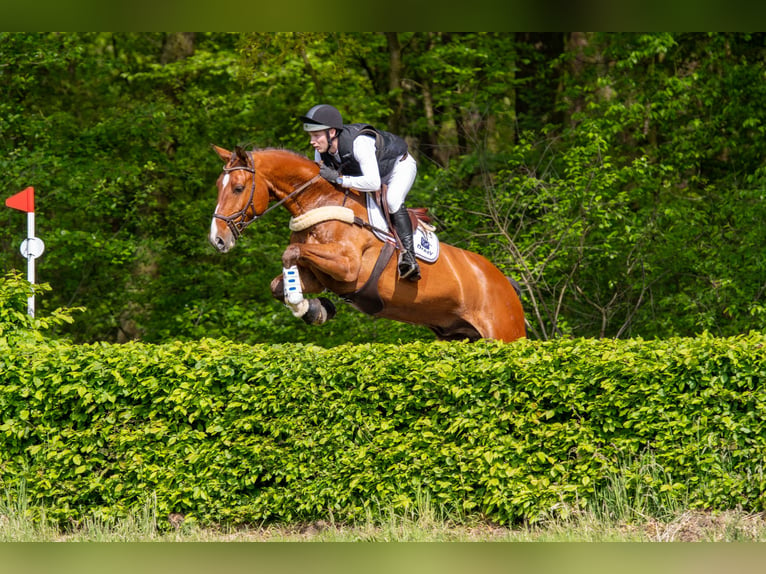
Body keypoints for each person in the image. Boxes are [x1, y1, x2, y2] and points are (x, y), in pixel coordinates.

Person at [299, 104, 421, 281]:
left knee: (393, 200)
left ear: (331, 133)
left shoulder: (359, 143)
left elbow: (372, 182)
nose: (312, 141)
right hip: (371, 175)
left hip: (398, 168)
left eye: (317, 135)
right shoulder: (321, 153)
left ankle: (409, 257)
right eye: (311, 136)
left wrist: (339, 179)